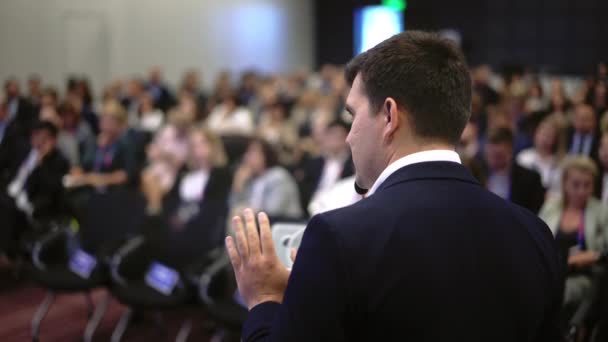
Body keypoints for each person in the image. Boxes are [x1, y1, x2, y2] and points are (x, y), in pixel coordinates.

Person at [225, 31, 563, 341]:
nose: (349, 135)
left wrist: (265, 300)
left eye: (352, 115)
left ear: (389, 116)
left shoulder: (339, 236)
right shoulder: (534, 234)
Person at [141, 126, 231, 264]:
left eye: (203, 143)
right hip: (175, 222)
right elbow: (171, 201)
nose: (198, 148)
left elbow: (214, 207)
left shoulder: (221, 173)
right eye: (194, 145)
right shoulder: (185, 175)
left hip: (200, 226)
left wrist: (183, 217)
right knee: (150, 221)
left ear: (213, 146)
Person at [539, 156, 608, 308]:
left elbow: (604, 250)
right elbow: (537, 240)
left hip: (581, 277)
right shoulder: (551, 207)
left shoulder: (601, 211)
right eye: (576, 185)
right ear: (564, 184)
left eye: (587, 185)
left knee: (559, 292)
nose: (582, 191)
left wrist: (594, 256)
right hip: (549, 271)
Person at [0, 121, 69, 254]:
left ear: (53, 141)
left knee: (5, 206)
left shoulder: (58, 161)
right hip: (9, 193)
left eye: (44, 137)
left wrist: (42, 161)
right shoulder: (23, 149)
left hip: (30, 204)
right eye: (36, 135)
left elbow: (51, 190)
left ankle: (5, 254)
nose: (38, 140)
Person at [230, 138, 302, 220]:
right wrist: (238, 185)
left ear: (265, 155)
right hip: (258, 225)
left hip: (285, 225)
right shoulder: (250, 179)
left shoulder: (278, 176)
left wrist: (247, 212)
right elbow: (232, 207)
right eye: (246, 153)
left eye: (252, 153)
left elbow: (274, 211)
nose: (246, 157)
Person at [484, 127, 546, 213]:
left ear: (510, 151)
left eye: (498, 156)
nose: (493, 161)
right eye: (490, 155)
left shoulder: (530, 180)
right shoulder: (478, 175)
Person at [297, 119, 354, 212]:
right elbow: (304, 191)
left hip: (340, 208)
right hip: (312, 208)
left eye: (338, 136)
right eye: (330, 135)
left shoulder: (353, 164)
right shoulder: (314, 164)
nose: (333, 140)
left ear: (347, 138)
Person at [516, 114, 566, 197]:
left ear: (556, 139)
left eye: (549, 136)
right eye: (542, 133)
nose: (544, 138)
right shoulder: (523, 157)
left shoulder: (563, 162)